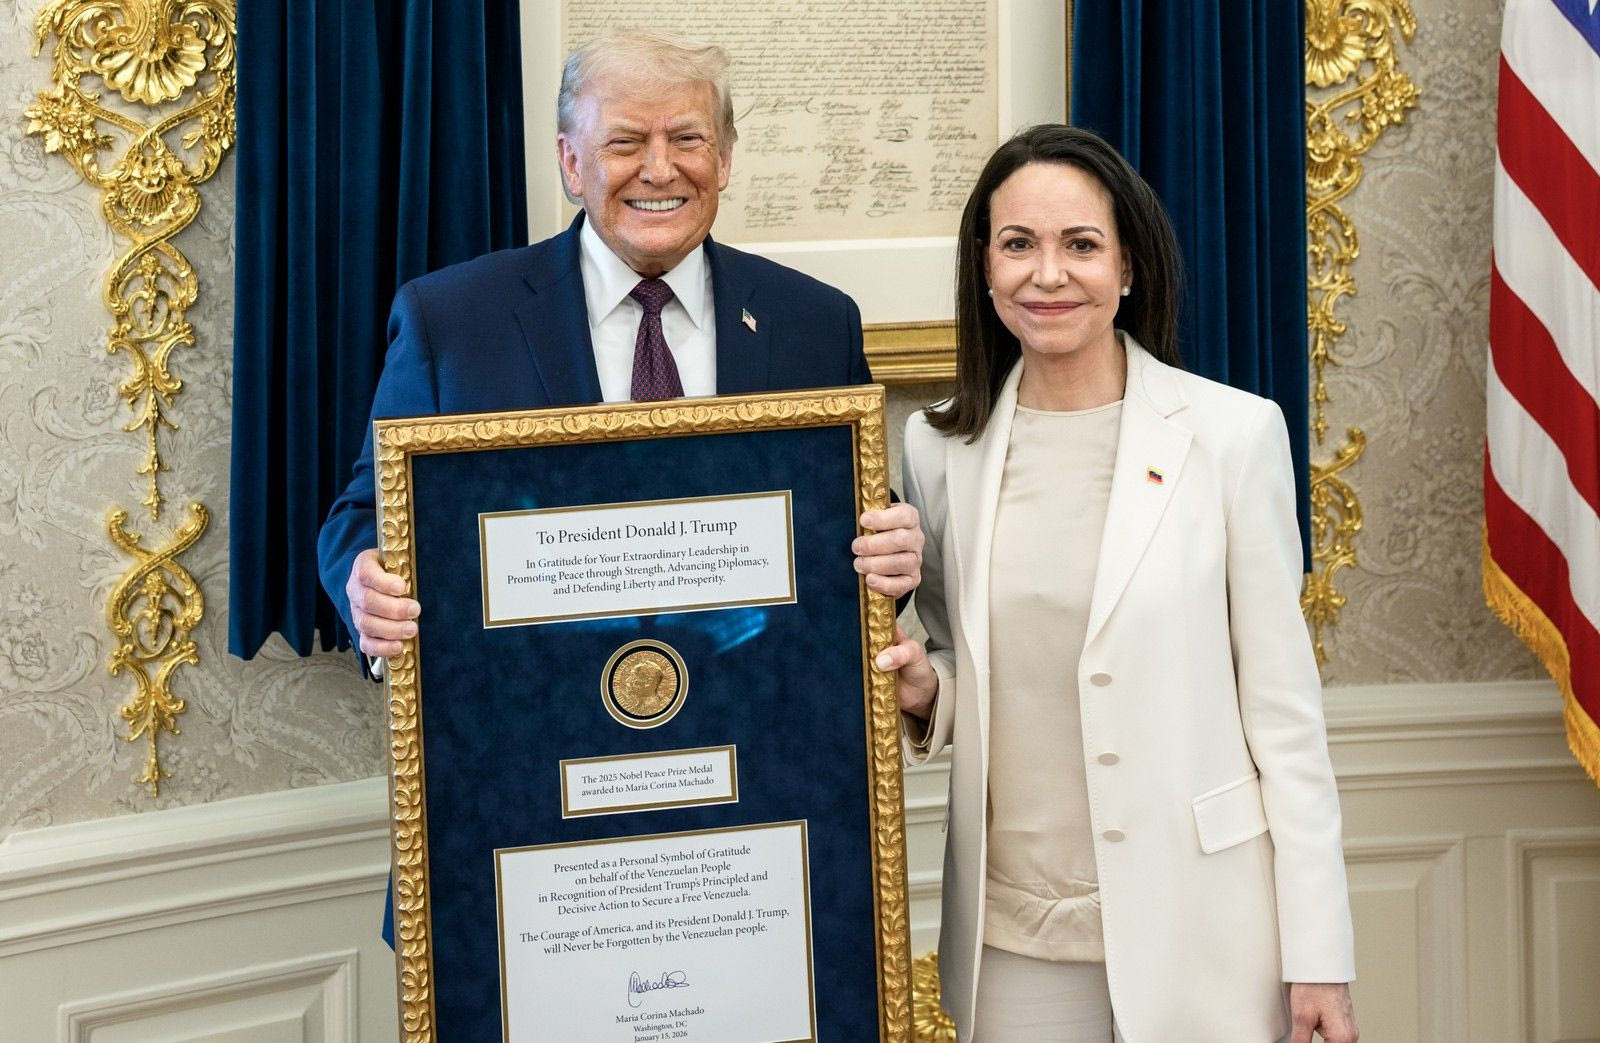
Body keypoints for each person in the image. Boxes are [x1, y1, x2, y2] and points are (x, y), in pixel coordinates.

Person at [874, 125, 1358, 1041]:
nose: (1047, 274)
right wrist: (927, 688)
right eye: (1019, 244)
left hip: (1204, 925)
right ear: (984, 266)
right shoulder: (937, 449)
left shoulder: (1233, 437)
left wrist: (1320, 952)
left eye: (1081, 245)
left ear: (1127, 266)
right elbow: (957, 655)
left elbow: (1285, 717)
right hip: (1012, 937)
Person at [317, 29, 922, 655]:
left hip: (754, 695)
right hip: (532, 698)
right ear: (571, 163)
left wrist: (892, 556)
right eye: (625, 142)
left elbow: (853, 526)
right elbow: (368, 515)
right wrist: (366, 588)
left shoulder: (815, 322)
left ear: (724, 159)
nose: (659, 170)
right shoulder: (451, 322)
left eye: (687, 139)